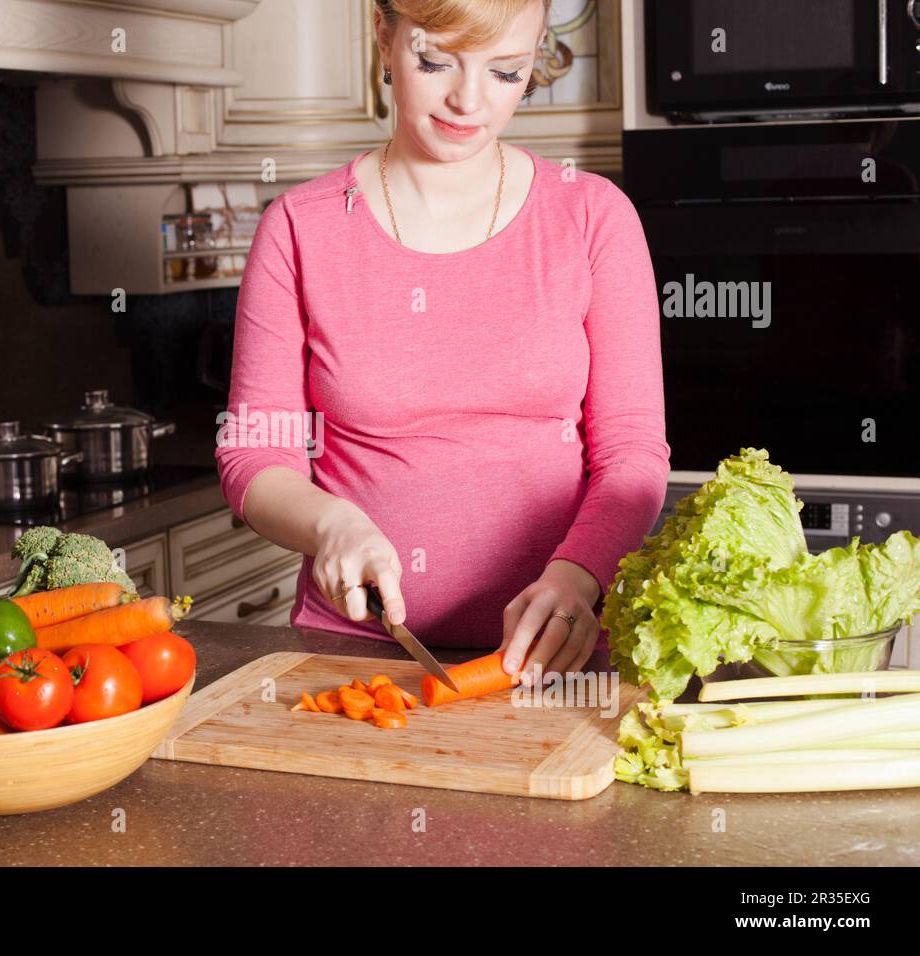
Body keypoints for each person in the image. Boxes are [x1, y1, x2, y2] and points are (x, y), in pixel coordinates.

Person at [214, 0, 670, 685]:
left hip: (557, 662)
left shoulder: (593, 216)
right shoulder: (300, 229)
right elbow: (255, 449)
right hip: (353, 662)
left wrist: (578, 579)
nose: (468, 99)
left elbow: (632, 453)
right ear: (384, 33)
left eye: (506, 72)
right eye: (435, 60)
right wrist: (330, 524)